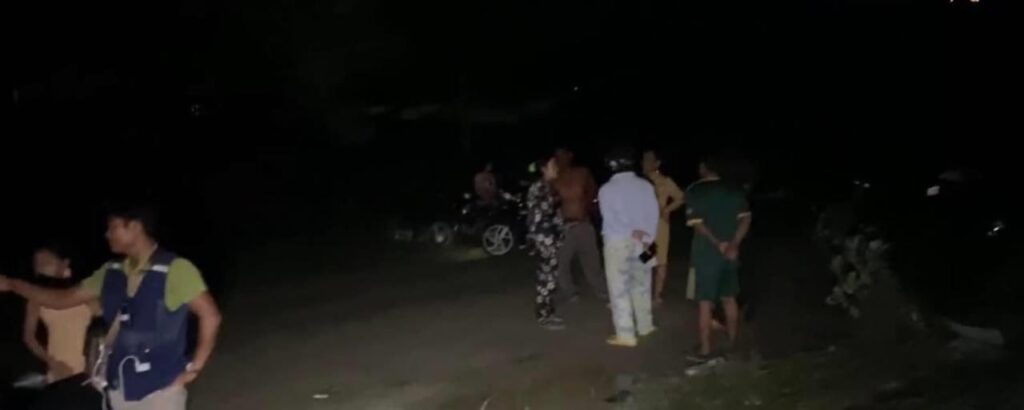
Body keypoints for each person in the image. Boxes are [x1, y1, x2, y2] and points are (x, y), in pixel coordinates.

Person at [0, 205, 223, 410]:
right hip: (119, 389)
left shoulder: (175, 269)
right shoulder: (111, 272)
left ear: (134, 227)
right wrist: (13, 285)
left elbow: (210, 316)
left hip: (162, 390)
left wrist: (193, 368)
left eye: (113, 227)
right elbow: (61, 299)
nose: (107, 234)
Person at [685, 157, 752, 362]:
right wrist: (733, 244)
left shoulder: (695, 190)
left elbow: (698, 224)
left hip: (706, 255)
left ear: (703, 168)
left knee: (705, 303)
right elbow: (746, 219)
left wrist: (718, 244)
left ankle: (705, 350)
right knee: (729, 298)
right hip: (730, 256)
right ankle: (732, 343)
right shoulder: (734, 189)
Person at [598, 146, 660, 347]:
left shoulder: (607, 189)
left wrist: (631, 230)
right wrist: (647, 236)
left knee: (619, 288)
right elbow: (654, 214)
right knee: (642, 283)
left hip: (618, 242)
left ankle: (626, 334)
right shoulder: (646, 186)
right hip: (646, 242)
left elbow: (610, 218)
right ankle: (645, 325)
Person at [22, 244, 96, 384]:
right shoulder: (36, 297)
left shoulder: (82, 292)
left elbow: (108, 324)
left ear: (65, 263)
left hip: (90, 369)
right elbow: (29, 337)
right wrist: (52, 362)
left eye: (46, 262)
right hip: (60, 369)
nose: (41, 268)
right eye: (37, 264)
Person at [552, 147, 606, 302]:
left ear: (570, 156)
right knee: (560, 263)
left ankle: (602, 290)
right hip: (565, 227)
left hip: (584, 224)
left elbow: (593, 195)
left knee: (592, 263)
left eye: (563, 155)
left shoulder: (582, 173)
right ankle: (570, 292)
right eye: (557, 156)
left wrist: (590, 214)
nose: (560, 159)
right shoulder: (554, 178)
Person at [526, 156, 565, 330]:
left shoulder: (548, 187)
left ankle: (548, 311)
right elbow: (536, 217)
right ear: (543, 169)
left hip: (550, 239)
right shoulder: (539, 188)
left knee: (550, 277)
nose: (556, 168)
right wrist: (539, 240)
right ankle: (543, 315)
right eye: (552, 166)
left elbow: (555, 213)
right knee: (546, 277)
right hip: (544, 239)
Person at [641, 149, 684, 307]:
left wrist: (666, 210)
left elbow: (681, 197)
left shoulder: (665, 181)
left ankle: (657, 295)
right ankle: (643, 293)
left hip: (659, 227)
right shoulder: (639, 181)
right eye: (644, 159)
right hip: (643, 227)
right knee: (644, 259)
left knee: (660, 261)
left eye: (649, 160)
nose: (645, 163)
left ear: (657, 163)